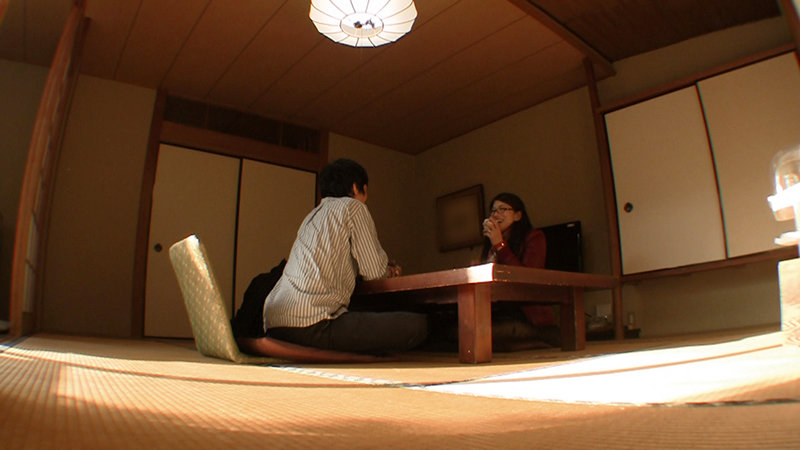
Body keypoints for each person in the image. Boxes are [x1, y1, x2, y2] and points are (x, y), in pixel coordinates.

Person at [263, 158, 428, 355]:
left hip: (274, 324)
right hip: (313, 323)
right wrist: (391, 270)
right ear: (357, 187)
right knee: (418, 325)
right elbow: (375, 273)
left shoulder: (312, 216)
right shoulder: (353, 207)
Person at [481, 192, 560, 349]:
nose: (496, 214)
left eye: (502, 209)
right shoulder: (493, 244)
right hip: (499, 310)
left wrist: (500, 245)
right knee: (458, 330)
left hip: (526, 314)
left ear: (517, 215)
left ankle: (543, 335)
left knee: (479, 334)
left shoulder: (534, 237)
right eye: (493, 210)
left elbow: (527, 278)